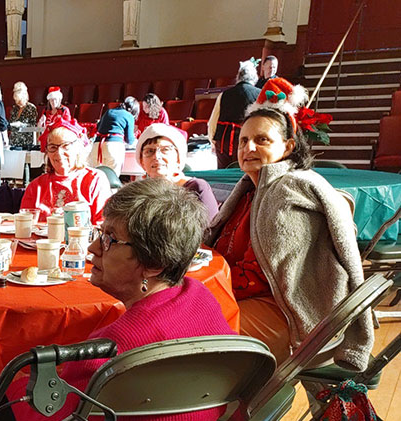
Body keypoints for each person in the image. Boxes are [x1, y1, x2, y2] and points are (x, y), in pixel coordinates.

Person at [0, 178, 235, 421]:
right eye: (101, 233)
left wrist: (15, 385)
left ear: (154, 264)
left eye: (110, 239)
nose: (93, 248)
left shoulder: (117, 343)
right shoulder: (201, 296)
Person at [205, 78, 372, 370]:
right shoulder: (251, 188)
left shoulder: (288, 191)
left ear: (288, 146)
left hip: (289, 315)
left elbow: (260, 276)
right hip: (257, 298)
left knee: (183, 328)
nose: (248, 147)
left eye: (262, 140)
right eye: (243, 140)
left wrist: (201, 290)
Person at [21, 118, 110, 224]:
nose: (59, 153)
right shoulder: (36, 186)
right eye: (53, 147)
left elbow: (103, 224)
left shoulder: (94, 179)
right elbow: (25, 225)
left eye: (66, 146)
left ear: (78, 148)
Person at [136, 123, 218, 222]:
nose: (156, 156)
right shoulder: (137, 193)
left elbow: (211, 229)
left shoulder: (196, 188)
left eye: (165, 149)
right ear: (142, 161)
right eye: (149, 151)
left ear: (178, 158)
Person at [208, 60, 260, 168]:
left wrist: (212, 140)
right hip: (247, 141)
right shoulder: (259, 94)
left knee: (223, 173)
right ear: (255, 78)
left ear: (238, 77)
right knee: (246, 172)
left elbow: (213, 120)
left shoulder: (224, 94)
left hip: (224, 142)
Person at [88, 96, 138, 175]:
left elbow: (98, 127)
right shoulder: (129, 116)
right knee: (112, 177)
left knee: (95, 177)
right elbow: (130, 140)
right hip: (114, 147)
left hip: (97, 146)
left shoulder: (109, 112)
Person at [8, 82, 38, 150]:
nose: (17, 102)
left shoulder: (31, 108)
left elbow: (33, 126)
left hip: (26, 142)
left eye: (19, 100)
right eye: (16, 100)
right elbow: (11, 123)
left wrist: (21, 125)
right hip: (13, 141)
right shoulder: (14, 108)